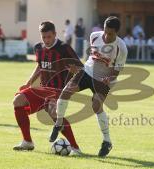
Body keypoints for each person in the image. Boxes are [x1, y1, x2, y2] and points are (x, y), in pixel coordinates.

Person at [50, 16, 128, 157]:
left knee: (96, 106)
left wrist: (108, 78)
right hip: (86, 72)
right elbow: (90, 57)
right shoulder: (94, 36)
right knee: (65, 92)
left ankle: (107, 141)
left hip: (103, 79)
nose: (106, 35)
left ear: (116, 32)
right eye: (105, 31)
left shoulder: (121, 47)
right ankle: (59, 123)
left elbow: (117, 69)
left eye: (110, 33)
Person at [13, 21, 83, 154]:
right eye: (43, 37)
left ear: (55, 34)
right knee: (17, 101)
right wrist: (28, 83)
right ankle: (27, 142)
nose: (46, 40)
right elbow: (40, 66)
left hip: (58, 90)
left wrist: (73, 72)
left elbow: (80, 67)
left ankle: (75, 148)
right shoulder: (38, 48)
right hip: (42, 88)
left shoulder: (64, 48)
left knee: (54, 114)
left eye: (49, 37)